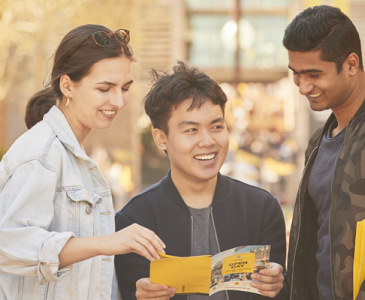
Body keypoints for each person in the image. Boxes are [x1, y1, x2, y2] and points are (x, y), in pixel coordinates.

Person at [0, 25, 165, 300]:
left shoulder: (77, 157)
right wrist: (107, 242)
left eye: (125, 88)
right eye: (104, 88)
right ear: (67, 85)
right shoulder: (42, 154)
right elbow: (9, 247)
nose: (119, 100)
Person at [114, 61, 288, 300]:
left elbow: (279, 291)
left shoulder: (262, 209)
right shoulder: (135, 221)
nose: (207, 141)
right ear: (161, 139)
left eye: (217, 126)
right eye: (191, 130)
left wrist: (278, 283)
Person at [282, 5, 365, 300]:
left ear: (351, 64)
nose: (303, 87)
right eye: (296, 74)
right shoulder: (318, 141)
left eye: (314, 74)